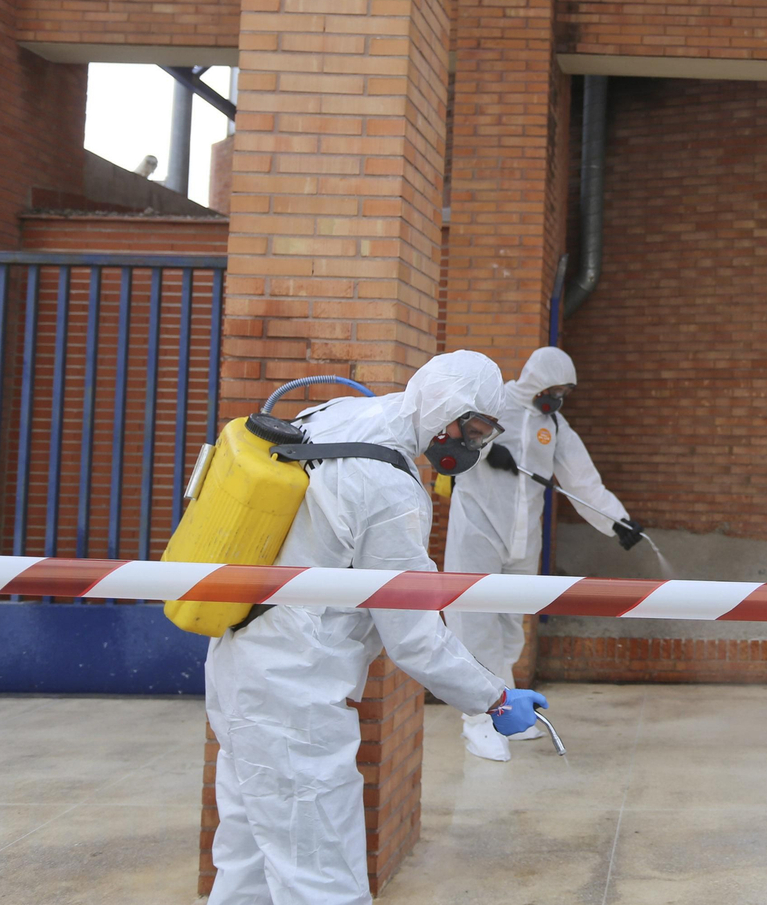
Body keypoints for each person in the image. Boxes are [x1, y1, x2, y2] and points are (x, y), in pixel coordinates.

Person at [205, 350, 547, 905]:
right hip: (296, 690)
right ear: (448, 410)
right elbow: (413, 636)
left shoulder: (337, 414)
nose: (474, 446)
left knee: (247, 858)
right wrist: (494, 699)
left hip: (239, 657)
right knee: (321, 874)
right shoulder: (390, 488)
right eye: (475, 428)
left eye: (487, 434)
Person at [445, 346, 640, 760]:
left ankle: (507, 712)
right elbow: (451, 441)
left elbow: (582, 481)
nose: (557, 399)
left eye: (565, 393)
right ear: (536, 380)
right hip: (478, 529)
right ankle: (477, 721)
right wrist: (482, 451)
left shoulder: (555, 425)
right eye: (554, 389)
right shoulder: (494, 404)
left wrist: (618, 522)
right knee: (474, 623)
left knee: (511, 626)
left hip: (522, 538)